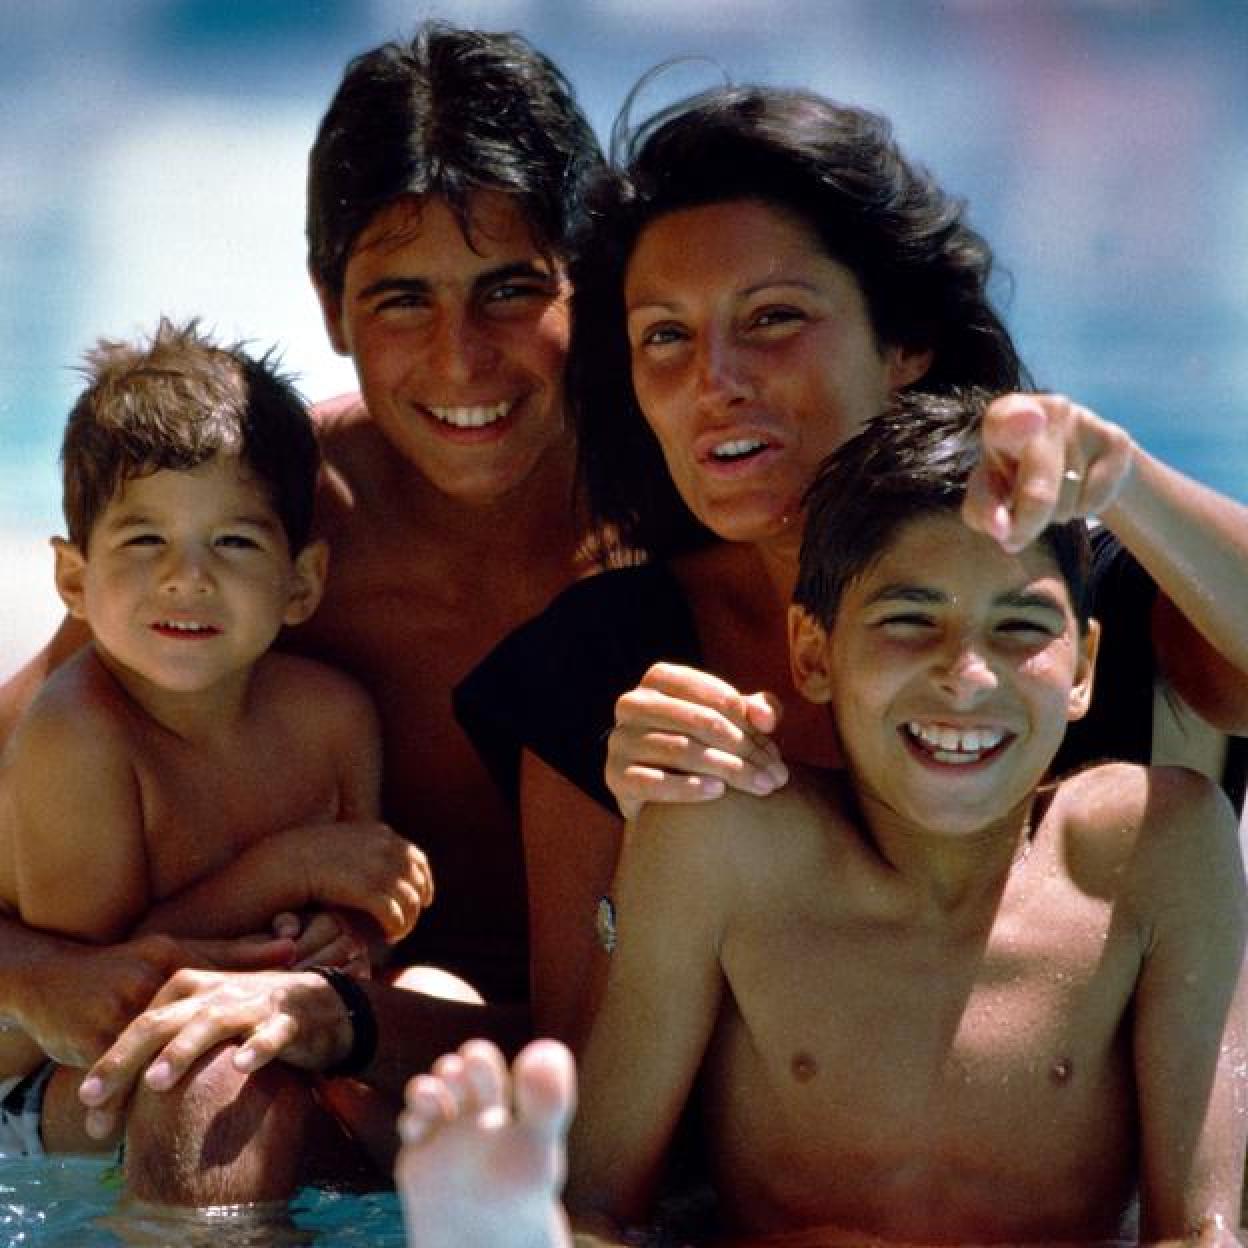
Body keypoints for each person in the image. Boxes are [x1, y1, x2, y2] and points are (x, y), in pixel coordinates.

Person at [453, 82, 1248, 1051]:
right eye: (665, 335)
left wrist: (1125, 481)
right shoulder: (604, 661)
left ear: (905, 342)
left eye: (774, 317)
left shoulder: (1101, 599)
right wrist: (647, 846)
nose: (716, 380)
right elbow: (582, 1087)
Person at [401, 393, 1248, 1246]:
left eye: (1020, 627)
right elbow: (602, 1200)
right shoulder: (726, 840)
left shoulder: (1157, 848)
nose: (969, 676)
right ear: (812, 652)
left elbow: (1205, 1233)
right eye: (911, 621)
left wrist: (1125, 481)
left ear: (1084, 667)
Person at [0, 22, 603, 1194]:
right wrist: (28, 980)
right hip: (316, 1045)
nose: (461, 356)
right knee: (204, 1087)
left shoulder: (669, 526)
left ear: (591, 282)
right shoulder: (250, 531)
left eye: (511, 288)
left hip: (538, 1050)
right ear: (331, 307)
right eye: (401, 299)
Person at [0, 319, 432, 1170]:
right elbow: (104, 995)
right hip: (52, 1091)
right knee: (196, 1088)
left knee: (439, 1014)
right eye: (144, 540)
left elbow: (368, 930)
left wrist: (348, 935)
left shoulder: (334, 715)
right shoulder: (76, 738)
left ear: (302, 582)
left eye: (232, 541)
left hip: (255, 1027)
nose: (186, 578)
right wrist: (289, 868)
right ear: (74, 581)